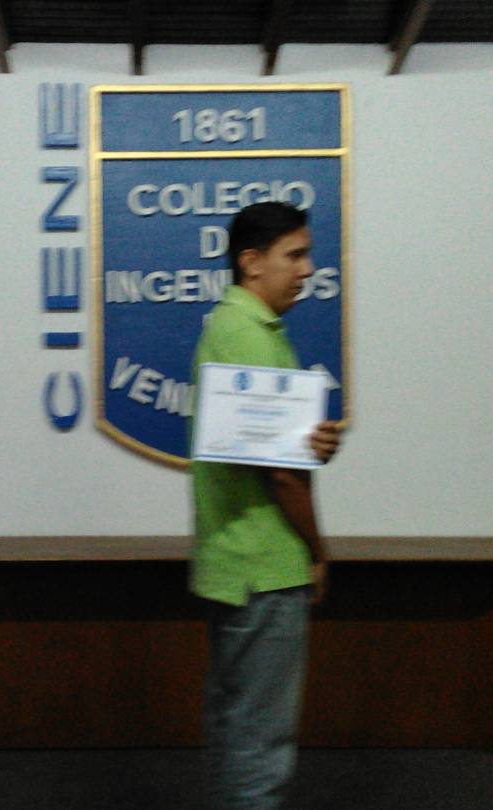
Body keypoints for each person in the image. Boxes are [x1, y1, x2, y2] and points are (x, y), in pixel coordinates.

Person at [190, 201, 343, 810]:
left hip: (236, 561)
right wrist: (318, 551)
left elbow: (278, 452)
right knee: (260, 743)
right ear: (251, 263)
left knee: (235, 726)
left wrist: (313, 444)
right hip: (267, 566)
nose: (308, 270)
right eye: (295, 255)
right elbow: (280, 475)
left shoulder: (231, 328)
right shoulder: (250, 337)